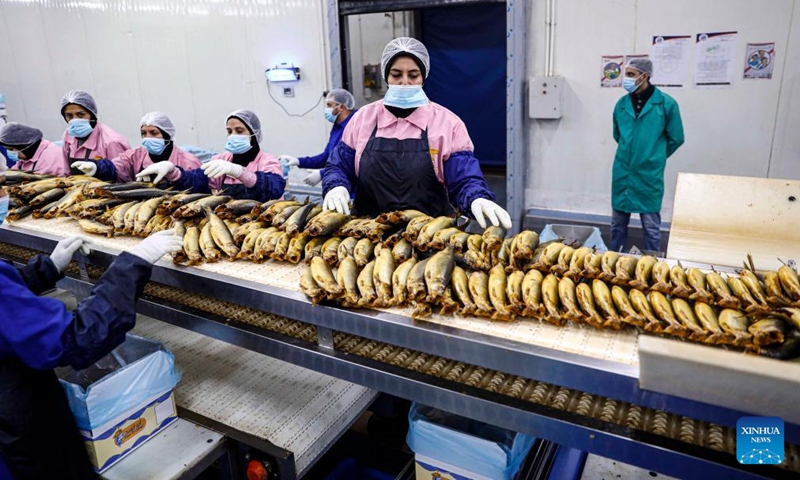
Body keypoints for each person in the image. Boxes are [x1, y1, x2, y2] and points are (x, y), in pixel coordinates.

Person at [0, 159, 183, 479]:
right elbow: (75, 338)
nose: (5, 190)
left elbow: (7, 300)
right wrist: (132, 265)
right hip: (15, 432)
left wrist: (47, 269)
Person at [322, 38, 511, 229]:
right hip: (367, 237)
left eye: (413, 75)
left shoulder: (447, 123)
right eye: (396, 75)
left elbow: (463, 176)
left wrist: (476, 197)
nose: (405, 82)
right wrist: (336, 186)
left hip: (429, 238)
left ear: (423, 77)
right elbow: (339, 166)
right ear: (386, 77)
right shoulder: (363, 118)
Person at [611, 58, 684, 253]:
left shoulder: (666, 104)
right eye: (627, 74)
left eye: (632, 74)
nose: (627, 79)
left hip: (649, 174)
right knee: (617, 224)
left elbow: (676, 137)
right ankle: (613, 261)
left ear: (645, 76)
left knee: (651, 227)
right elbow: (618, 134)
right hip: (623, 170)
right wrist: (631, 154)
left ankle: (653, 264)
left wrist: (655, 156)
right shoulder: (621, 104)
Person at [137, 109, 285, 202]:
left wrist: (240, 172)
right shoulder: (220, 160)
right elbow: (196, 181)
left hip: (264, 224)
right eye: (229, 131)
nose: (233, 135)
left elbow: (274, 188)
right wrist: (172, 171)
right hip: (231, 221)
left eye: (239, 131)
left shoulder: (267, 161)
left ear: (254, 134)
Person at [71, 111, 201, 183]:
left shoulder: (188, 161)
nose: (148, 138)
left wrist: (174, 173)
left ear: (167, 135)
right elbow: (116, 167)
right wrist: (97, 167)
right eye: (144, 133)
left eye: (154, 133)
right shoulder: (134, 156)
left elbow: (198, 189)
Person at [278, 89, 358, 186]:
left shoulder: (355, 127)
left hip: (352, 189)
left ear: (341, 107)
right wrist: (298, 161)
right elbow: (326, 157)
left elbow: (351, 162)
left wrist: (322, 173)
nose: (326, 109)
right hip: (336, 184)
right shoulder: (337, 127)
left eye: (329, 105)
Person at [60, 90, 130, 176]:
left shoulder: (111, 141)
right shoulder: (68, 135)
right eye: (69, 116)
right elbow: (66, 172)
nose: (75, 120)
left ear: (92, 114)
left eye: (80, 115)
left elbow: (123, 175)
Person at [0, 123, 69, 176]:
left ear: (24, 146)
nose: (10, 152)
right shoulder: (28, 157)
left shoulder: (51, 158)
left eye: (11, 149)